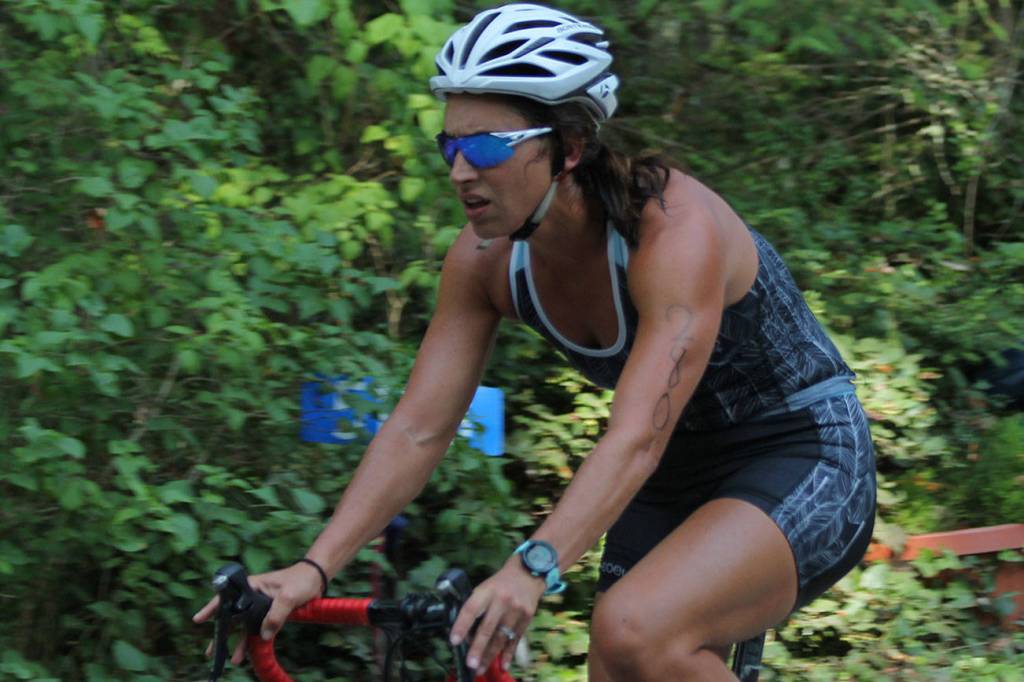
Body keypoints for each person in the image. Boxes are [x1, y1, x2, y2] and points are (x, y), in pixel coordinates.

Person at [195, 4, 877, 680]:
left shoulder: (673, 230)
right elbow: (418, 429)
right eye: (450, 147)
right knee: (619, 660)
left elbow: (636, 435)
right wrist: (314, 568)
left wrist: (533, 565)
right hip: (673, 472)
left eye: (487, 147)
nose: (460, 171)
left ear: (569, 147)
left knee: (634, 631)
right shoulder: (484, 261)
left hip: (801, 450)